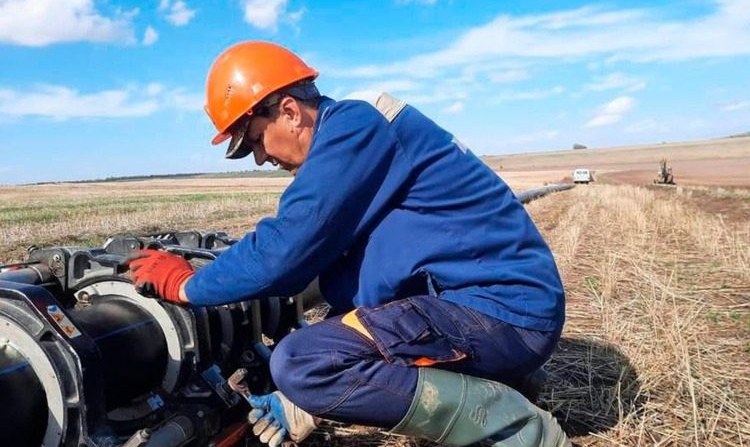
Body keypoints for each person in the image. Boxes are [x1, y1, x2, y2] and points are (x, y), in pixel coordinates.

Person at [128, 40, 569, 447]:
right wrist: (301, 399)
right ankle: (503, 382)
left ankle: (522, 431)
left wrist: (187, 284)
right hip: (498, 309)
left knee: (300, 362)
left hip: (504, 312)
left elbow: (284, 250)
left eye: (255, 140)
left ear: (289, 110)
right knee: (320, 351)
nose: (262, 157)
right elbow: (367, 288)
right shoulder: (361, 138)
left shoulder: (356, 125)